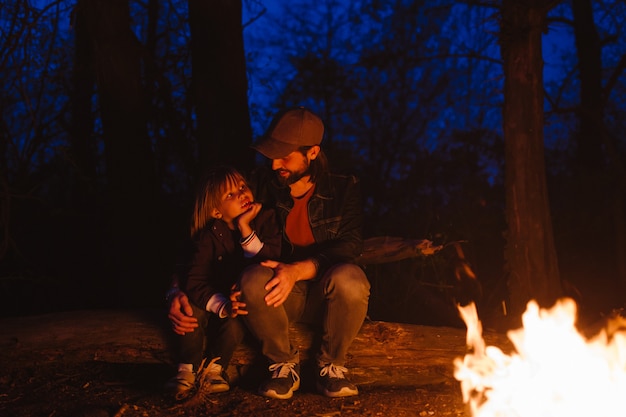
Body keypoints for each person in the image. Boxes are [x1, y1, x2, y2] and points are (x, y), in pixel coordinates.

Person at [168, 107, 370, 400]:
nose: (275, 164)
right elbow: (202, 238)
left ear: (312, 153)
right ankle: (283, 366)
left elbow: (350, 246)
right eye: (272, 155)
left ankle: (331, 368)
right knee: (252, 277)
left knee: (351, 277)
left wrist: (296, 271)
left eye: (285, 156)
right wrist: (174, 290)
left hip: (325, 298)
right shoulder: (260, 184)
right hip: (274, 301)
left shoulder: (343, 189)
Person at [165, 165, 281, 400]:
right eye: (230, 194)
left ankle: (215, 369)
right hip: (209, 296)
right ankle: (186, 368)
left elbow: (269, 262)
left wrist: (245, 227)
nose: (241, 194)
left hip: (240, 299)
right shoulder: (209, 236)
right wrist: (220, 304)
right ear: (216, 212)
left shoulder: (266, 218)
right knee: (191, 309)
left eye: (242, 187)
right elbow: (195, 280)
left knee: (239, 316)